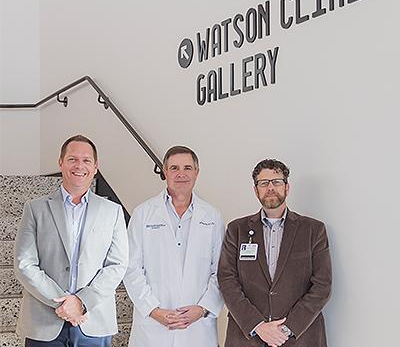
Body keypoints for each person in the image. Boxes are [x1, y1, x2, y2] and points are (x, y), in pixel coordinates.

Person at [14, 135, 129, 347]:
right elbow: (24, 263)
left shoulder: (112, 211)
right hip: (44, 322)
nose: (79, 165)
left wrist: (82, 302)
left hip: (93, 320)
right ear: (61, 163)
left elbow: (117, 264)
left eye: (86, 160)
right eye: (72, 159)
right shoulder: (35, 209)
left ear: (95, 167)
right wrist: (63, 303)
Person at [218, 159, 332, 347]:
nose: (270, 188)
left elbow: (322, 286)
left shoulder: (313, 230)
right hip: (248, 338)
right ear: (256, 190)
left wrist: (286, 329)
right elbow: (227, 281)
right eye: (264, 183)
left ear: (287, 187)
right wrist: (258, 326)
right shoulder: (236, 230)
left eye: (276, 182)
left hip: (299, 338)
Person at [123, 145, 224, 347]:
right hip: (153, 326)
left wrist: (202, 309)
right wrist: (153, 310)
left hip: (197, 328)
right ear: (165, 172)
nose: (181, 174)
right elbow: (131, 267)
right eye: (174, 168)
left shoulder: (212, 216)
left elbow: (221, 270)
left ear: (196, 172)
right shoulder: (143, 213)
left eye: (187, 168)